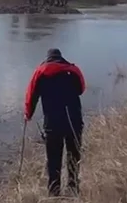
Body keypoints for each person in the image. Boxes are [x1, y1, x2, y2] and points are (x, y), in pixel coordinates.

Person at [24, 48, 86, 196]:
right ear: (61, 57)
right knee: (73, 156)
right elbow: (81, 89)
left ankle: (54, 192)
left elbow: (31, 95)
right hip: (74, 121)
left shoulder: (40, 72)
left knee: (53, 159)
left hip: (53, 124)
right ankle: (73, 188)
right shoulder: (74, 70)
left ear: (48, 58)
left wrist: (28, 114)